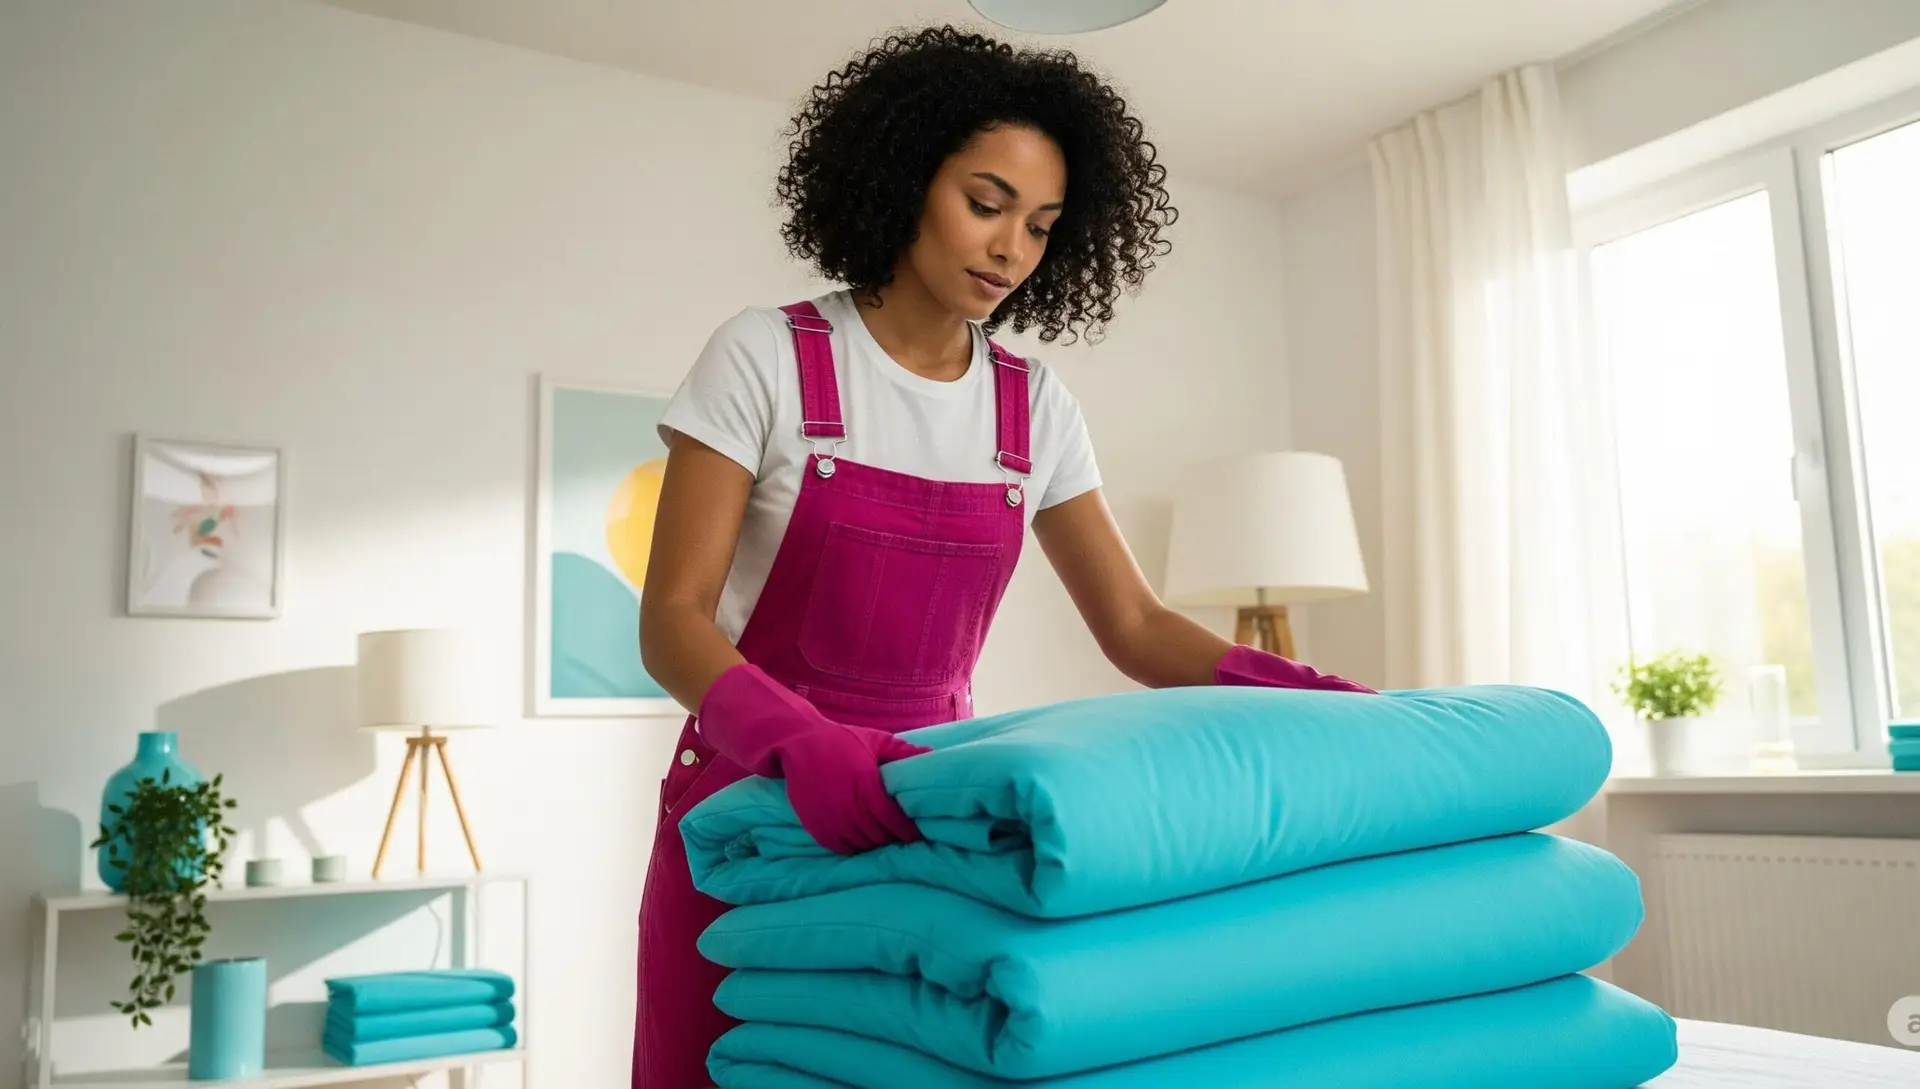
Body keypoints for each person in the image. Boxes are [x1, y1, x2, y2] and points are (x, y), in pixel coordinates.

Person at [629, 25, 1372, 1089]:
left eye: (1040, 225)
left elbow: (1134, 626)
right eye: (985, 204)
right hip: (748, 814)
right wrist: (798, 744)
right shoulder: (765, 357)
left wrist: (1297, 690)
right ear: (902, 180)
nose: (1011, 250)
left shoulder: (1034, 408)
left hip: (931, 819)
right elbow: (672, 620)